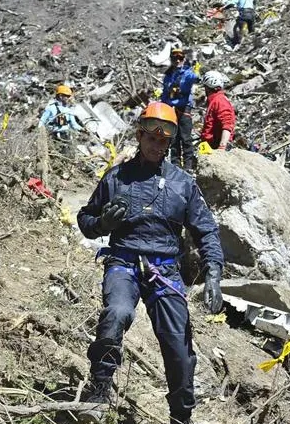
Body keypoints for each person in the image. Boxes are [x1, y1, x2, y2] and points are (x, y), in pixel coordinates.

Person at [76, 102, 224, 424]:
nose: (156, 146)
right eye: (151, 139)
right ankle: (99, 391)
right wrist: (101, 224)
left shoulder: (183, 184)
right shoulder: (117, 177)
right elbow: (85, 218)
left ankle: (181, 417)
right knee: (116, 313)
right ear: (140, 136)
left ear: (169, 142)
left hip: (165, 271)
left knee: (178, 346)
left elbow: (207, 230)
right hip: (123, 263)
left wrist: (213, 272)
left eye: (163, 141)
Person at [159, 48, 200, 171]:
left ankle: (188, 166)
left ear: (184, 59)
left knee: (186, 137)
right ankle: (175, 165)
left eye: (180, 58)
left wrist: (196, 71)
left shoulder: (187, 73)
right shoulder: (168, 75)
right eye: (175, 58)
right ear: (171, 59)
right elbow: (165, 93)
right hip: (170, 109)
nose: (177, 60)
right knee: (173, 138)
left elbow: (194, 78)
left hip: (183, 108)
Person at [200, 71, 235, 150]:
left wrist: (222, 146)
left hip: (216, 145)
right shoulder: (215, 100)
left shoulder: (219, 101)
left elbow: (227, 124)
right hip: (210, 145)